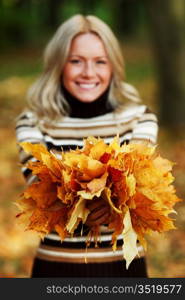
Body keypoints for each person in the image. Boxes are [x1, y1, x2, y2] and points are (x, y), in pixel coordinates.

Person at [15, 14, 158, 277]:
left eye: (100, 62)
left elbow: (138, 181)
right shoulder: (33, 122)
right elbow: (40, 187)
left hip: (124, 268)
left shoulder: (139, 118)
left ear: (113, 66)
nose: (88, 73)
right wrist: (100, 199)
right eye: (76, 61)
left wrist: (82, 197)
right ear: (58, 64)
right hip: (57, 268)